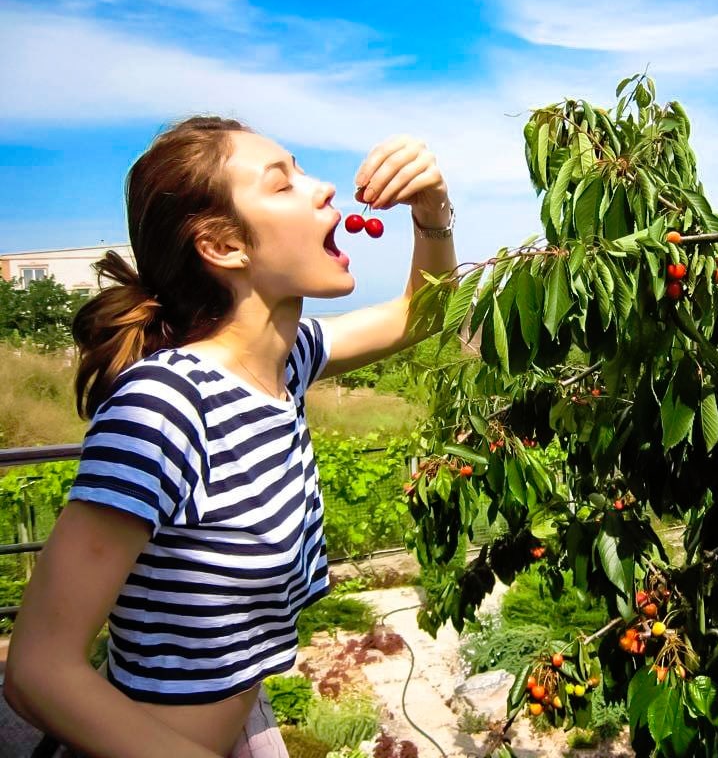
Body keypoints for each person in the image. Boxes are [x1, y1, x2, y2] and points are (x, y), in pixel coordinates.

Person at [3, 116, 457, 757]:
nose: (323, 188)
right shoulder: (162, 408)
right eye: (283, 183)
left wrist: (432, 208)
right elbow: (38, 670)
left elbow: (424, 314)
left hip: (244, 720)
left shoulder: (285, 362)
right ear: (222, 246)